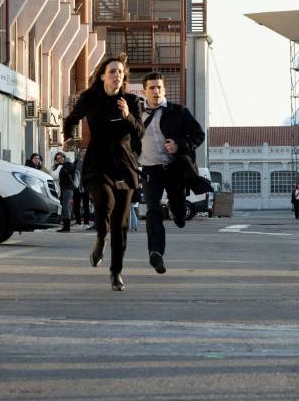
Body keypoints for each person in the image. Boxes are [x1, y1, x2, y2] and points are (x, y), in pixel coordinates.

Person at [62, 53, 144, 292]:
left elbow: (140, 132)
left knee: (121, 224)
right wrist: (68, 137)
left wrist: (127, 114)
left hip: (125, 165)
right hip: (98, 163)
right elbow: (71, 119)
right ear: (102, 76)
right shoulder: (90, 98)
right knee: (104, 202)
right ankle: (100, 237)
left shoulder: (131, 101)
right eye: (112, 72)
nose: (117, 75)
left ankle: (116, 272)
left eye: (120, 72)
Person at [138, 72, 207, 275]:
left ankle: (179, 215)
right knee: (153, 210)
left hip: (174, 169)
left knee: (177, 208)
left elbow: (198, 135)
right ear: (144, 91)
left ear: (164, 90)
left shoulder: (179, 112)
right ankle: (156, 252)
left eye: (159, 87)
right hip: (151, 170)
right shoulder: (138, 113)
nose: (156, 91)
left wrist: (179, 145)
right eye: (151, 87)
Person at [54, 152, 78, 232]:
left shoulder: (68, 164)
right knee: (64, 207)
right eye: (57, 158)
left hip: (68, 189)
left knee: (66, 207)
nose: (59, 159)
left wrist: (60, 166)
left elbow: (64, 174)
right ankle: (65, 226)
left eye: (60, 158)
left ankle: (67, 227)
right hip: (63, 189)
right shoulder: (60, 166)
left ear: (64, 157)